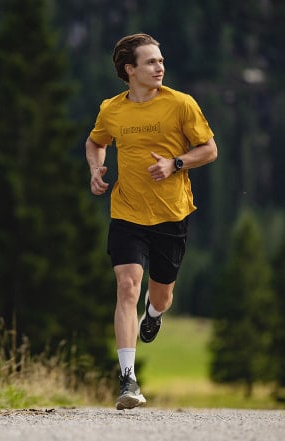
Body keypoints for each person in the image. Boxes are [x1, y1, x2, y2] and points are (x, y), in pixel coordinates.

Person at [85, 33, 218, 410]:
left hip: (171, 214)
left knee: (160, 294)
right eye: (151, 62)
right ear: (130, 70)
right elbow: (96, 142)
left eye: (160, 61)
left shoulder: (181, 105)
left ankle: (154, 313)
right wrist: (96, 170)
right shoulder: (112, 109)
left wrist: (176, 163)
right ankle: (128, 380)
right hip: (126, 212)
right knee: (127, 285)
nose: (160, 67)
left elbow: (209, 149)